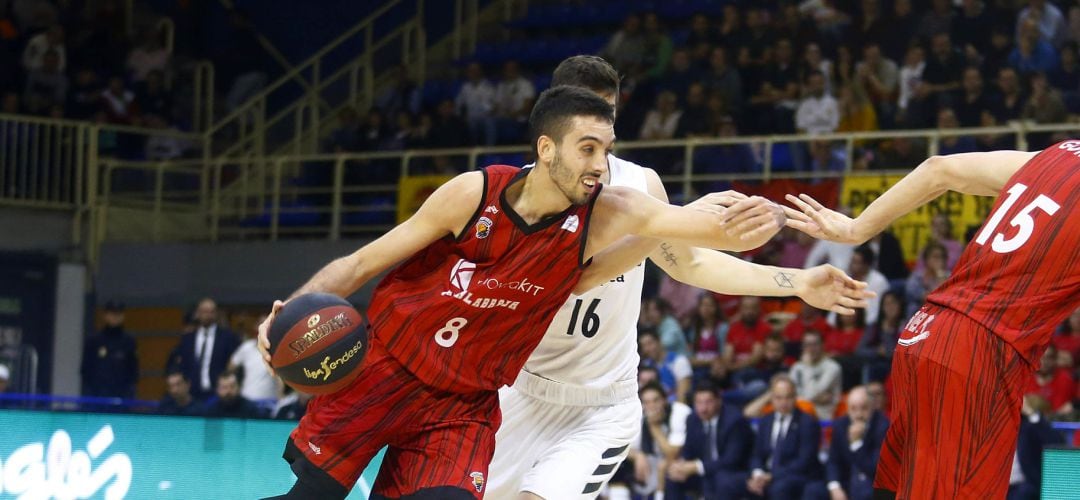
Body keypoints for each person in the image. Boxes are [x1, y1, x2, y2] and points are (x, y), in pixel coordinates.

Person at [256, 85, 792, 500]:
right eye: (587, 149)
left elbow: (696, 232)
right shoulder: (473, 193)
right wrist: (284, 314)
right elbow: (359, 264)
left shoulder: (607, 214)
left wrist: (766, 214)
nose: (600, 165)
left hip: (462, 405)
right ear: (546, 147)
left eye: (606, 149)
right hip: (387, 366)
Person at [784, 143, 1080, 498]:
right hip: (979, 353)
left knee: (900, 488)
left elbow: (939, 168)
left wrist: (856, 229)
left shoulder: (1056, 155)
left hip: (926, 332)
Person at [665, 382, 753, 499]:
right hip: (704, 472)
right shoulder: (692, 419)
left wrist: (697, 467)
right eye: (699, 402)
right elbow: (688, 451)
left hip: (732, 473)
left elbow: (731, 461)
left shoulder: (734, 421)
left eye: (708, 402)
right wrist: (681, 466)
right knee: (673, 477)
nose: (703, 408)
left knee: (721, 479)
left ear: (719, 400)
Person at [747, 375, 821, 499]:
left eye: (788, 397)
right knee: (738, 484)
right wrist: (757, 474)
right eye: (778, 398)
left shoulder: (807, 422)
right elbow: (757, 454)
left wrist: (771, 476)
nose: (783, 402)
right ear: (771, 398)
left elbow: (804, 461)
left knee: (779, 487)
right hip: (767, 474)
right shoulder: (766, 420)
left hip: (796, 476)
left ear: (795, 397)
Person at [810, 385, 890, 500]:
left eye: (864, 408)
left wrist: (856, 444)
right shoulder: (840, 425)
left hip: (871, 481)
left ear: (872, 407)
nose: (858, 414)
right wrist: (835, 487)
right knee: (814, 491)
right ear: (847, 409)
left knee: (864, 492)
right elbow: (833, 461)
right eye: (853, 409)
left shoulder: (882, 426)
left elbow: (875, 469)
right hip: (846, 480)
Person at [167, 298, 241, 401]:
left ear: (216, 314)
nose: (207, 315)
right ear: (198, 313)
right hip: (192, 392)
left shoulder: (227, 337)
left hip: (219, 392)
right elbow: (183, 364)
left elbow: (234, 364)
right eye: (204, 312)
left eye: (211, 312)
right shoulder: (188, 339)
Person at [80, 300, 138, 398]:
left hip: (122, 396)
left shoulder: (129, 342)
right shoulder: (94, 341)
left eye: (118, 314)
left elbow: (133, 371)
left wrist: (128, 392)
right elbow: (85, 369)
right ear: (106, 315)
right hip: (96, 395)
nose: (115, 317)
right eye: (112, 313)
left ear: (123, 316)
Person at [790, 330, 842, 420]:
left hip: (820, 418)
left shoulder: (832, 368)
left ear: (822, 345)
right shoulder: (797, 367)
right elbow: (788, 394)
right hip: (796, 415)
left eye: (815, 344)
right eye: (807, 344)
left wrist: (808, 367)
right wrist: (815, 398)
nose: (811, 349)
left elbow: (811, 394)